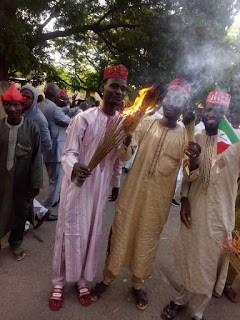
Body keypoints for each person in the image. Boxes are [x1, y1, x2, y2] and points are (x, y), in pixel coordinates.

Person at [91, 78, 200, 310]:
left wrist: (194, 158)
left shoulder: (185, 136)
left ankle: (138, 284)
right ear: (163, 101)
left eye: (178, 101)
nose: (172, 105)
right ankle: (107, 278)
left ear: (183, 106)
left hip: (158, 202)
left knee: (147, 239)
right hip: (133, 194)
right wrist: (127, 141)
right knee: (121, 232)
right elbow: (124, 156)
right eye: (169, 99)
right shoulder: (146, 123)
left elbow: (190, 174)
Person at [49, 64, 132, 311]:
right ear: (101, 88)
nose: (118, 92)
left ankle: (84, 280)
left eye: (122, 89)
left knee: (92, 233)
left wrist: (115, 183)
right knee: (69, 231)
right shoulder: (82, 118)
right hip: (79, 184)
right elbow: (68, 153)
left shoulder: (122, 124)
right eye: (113, 86)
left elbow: (120, 159)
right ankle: (58, 282)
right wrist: (76, 167)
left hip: (101, 186)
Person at [161, 90, 240, 320]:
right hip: (193, 208)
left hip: (219, 215)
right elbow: (188, 174)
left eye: (217, 109)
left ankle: (197, 312)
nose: (211, 113)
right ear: (202, 112)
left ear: (225, 112)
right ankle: (180, 300)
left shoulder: (235, 140)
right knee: (188, 258)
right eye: (207, 108)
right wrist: (184, 197)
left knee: (206, 265)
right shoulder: (194, 136)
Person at [0, 84, 43, 260]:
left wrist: (35, 184)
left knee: (20, 213)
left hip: (22, 181)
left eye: (16, 105)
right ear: (3, 106)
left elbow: (36, 158)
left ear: (22, 106)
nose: (13, 109)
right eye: (8, 105)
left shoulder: (32, 128)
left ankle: (15, 244)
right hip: (1, 181)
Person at [20, 84, 52, 226]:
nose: (24, 99)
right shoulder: (20, 112)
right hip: (19, 160)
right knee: (21, 192)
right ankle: (41, 212)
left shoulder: (39, 118)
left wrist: (35, 155)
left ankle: (24, 225)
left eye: (28, 97)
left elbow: (48, 143)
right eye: (22, 95)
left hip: (31, 163)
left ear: (34, 99)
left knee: (23, 193)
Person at [39, 83, 71, 216]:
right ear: (55, 95)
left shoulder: (42, 104)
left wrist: (68, 107)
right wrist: (79, 116)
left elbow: (59, 112)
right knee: (55, 182)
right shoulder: (54, 108)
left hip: (47, 150)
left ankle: (53, 201)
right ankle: (43, 210)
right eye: (58, 93)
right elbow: (69, 122)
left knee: (55, 179)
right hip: (55, 149)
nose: (60, 95)